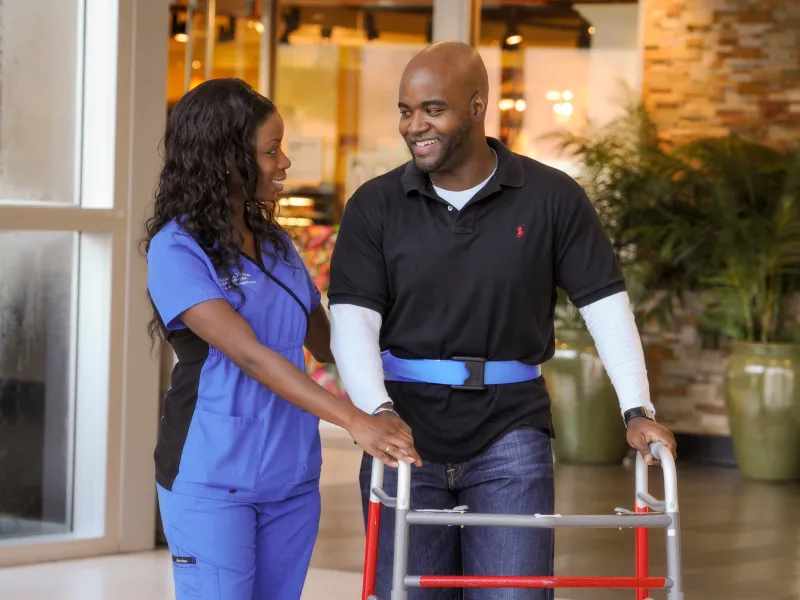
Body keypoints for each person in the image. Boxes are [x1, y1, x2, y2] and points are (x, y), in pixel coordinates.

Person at [327, 42, 677, 600]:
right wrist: (377, 410)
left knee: (514, 594)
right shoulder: (375, 204)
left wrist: (637, 409)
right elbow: (353, 322)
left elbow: (605, 307)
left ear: (477, 106)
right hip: (404, 431)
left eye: (433, 110)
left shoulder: (552, 197)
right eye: (405, 111)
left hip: (511, 432)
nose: (414, 126)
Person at [143, 78, 421, 600]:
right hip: (212, 476)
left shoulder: (276, 245)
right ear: (226, 159)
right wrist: (354, 420)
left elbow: (327, 344)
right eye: (271, 151)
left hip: (290, 476)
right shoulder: (176, 249)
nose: (285, 162)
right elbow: (250, 356)